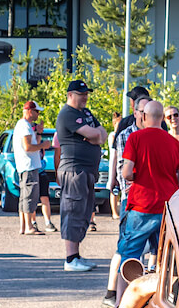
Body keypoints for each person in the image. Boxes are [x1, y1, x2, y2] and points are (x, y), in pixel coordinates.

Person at [118, 100, 179, 263]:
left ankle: (124, 289)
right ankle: (160, 288)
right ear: (163, 118)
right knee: (165, 259)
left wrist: (140, 176)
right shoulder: (174, 143)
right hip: (167, 207)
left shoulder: (135, 138)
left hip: (141, 205)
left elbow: (127, 173)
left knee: (129, 258)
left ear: (143, 116)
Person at [102, 95, 152, 308]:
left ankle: (143, 297)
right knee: (127, 250)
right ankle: (115, 297)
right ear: (137, 113)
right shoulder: (127, 135)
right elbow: (126, 171)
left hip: (152, 200)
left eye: (149, 111)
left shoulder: (156, 135)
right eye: (143, 111)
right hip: (132, 199)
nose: (145, 115)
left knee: (154, 252)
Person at [55, 79, 106, 272]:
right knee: (73, 211)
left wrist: (95, 136)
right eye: (80, 94)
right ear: (70, 95)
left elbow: (101, 134)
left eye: (86, 94)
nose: (84, 97)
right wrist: (93, 136)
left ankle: (76, 256)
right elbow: (93, 133)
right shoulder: (68, 113)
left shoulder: (84, 112)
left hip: (86, 171)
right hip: (74, 169)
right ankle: (69, 259)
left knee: (84, 212)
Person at [13, 99, 50, 235]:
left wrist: (39, 133)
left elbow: (32, 144)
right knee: (30, 196)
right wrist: (44, 145)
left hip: (26, 166)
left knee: (24, 196)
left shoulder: (24, 126)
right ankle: (29, 227)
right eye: (36, 111)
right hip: (29, 166)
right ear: (29, 111)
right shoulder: (24, 126)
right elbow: (28, 147)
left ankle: (24, 226)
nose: (38, 115)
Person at [107, 112, 123, 215]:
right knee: (113, 188)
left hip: (120, 162)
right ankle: (114, 212)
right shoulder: (113, 135)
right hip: (114, 162)